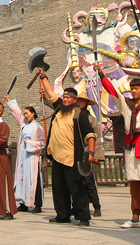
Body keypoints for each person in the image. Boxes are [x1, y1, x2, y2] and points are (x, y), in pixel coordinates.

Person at [97, 66, 140, 229]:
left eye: (136, 88)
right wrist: (101, 75)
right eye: (132, 89)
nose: (133, 91)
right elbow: (113, 92)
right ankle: (135, 217)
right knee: (134, 184)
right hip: (130, 148)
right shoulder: (126, 106)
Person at [38, 69, 96, 227]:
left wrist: (90, 152)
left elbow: (90, 134)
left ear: (75, 100)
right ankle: (62, 215)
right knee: (58, 188)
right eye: (63, 96)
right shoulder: (58, 108)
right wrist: (43, 77)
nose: (64, 99)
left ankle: (83, 216)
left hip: (71, 157)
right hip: (56, 156)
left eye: (68, 97)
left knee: (76, 187)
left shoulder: (79, 115)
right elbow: (50, 92)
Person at [5, 94, 45, 213]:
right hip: (23, 157)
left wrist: (30, 144)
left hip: (32, 158)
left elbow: (42, 143)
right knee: (22, 178)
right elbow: (17, 114)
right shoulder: (24, 124)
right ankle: (23, 203)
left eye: (27, 113)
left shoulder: (37, 127)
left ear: (33, 114)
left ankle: (37, 204)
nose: (25, 115)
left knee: (33, 179)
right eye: (25, 113)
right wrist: (9, 100)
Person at [75, 90, 103, 217]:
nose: (79, 102)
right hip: (75, 152)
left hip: (87, 152)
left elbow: (95, 139)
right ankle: (76, 206)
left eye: (82, 100)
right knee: (75, 181)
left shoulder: (91, 120)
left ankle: (96, 206)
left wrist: (95, 155)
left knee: (89, 181)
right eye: (78, 100)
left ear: (86, 103)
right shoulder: (73, 117)